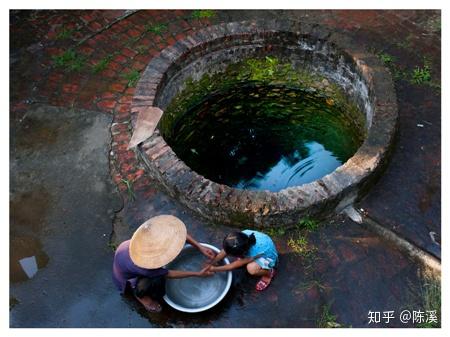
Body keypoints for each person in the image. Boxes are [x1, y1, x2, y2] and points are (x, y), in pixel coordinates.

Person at [112, 214, 216, 312]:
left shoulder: (151, 235)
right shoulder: (143, 266)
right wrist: (197, 274)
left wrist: (200, 247)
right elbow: (167, 273)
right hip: (128, 276)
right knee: (148, 284)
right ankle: (141, 296)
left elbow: (179, 234)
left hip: (125, 258)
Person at [205, 229, 278, 291]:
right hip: (261, 243)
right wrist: (213, 262)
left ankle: (268, 273)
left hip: (266, 256)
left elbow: (234, 265)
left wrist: (214, 269)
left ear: (243, 253)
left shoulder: (254, 254)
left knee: (251, 269)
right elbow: (226, 250)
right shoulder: (240, 238)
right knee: (229, 248)